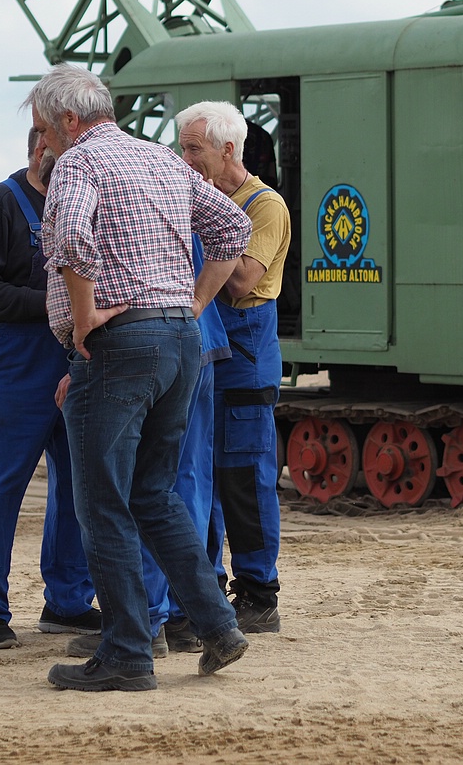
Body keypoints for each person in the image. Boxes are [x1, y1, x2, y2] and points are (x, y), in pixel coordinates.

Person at [30, 64, 255, 692]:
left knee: (102, 502)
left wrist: (84, 325)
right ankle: (217, 626)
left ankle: (128, 653)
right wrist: (188, 306)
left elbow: (71, 242)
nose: (43, 144)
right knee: (154, 494)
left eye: (44, 130)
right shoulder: (161, 159)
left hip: (120, 343)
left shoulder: (80, 162)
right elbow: (233, 228)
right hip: (178, 344)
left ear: (69, 120)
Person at [0, 127, 100, 649]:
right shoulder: (0, 205)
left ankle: (68, 602)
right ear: (39, 149)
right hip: (8, 368)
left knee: (79, 488)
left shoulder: (85, 198)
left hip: (74, 362)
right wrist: (50, 305)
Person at [176, 101, 291, 634]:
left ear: (228, 150)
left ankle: (258, 592)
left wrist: (199, 234)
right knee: (201, 474)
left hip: (246, 352)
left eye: (194, 148)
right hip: (204, 347)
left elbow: (242, 280)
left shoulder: (266, 207)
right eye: (182, 147)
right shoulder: (197, 197)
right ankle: (208, 588)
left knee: (244, 478)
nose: (185, 157)